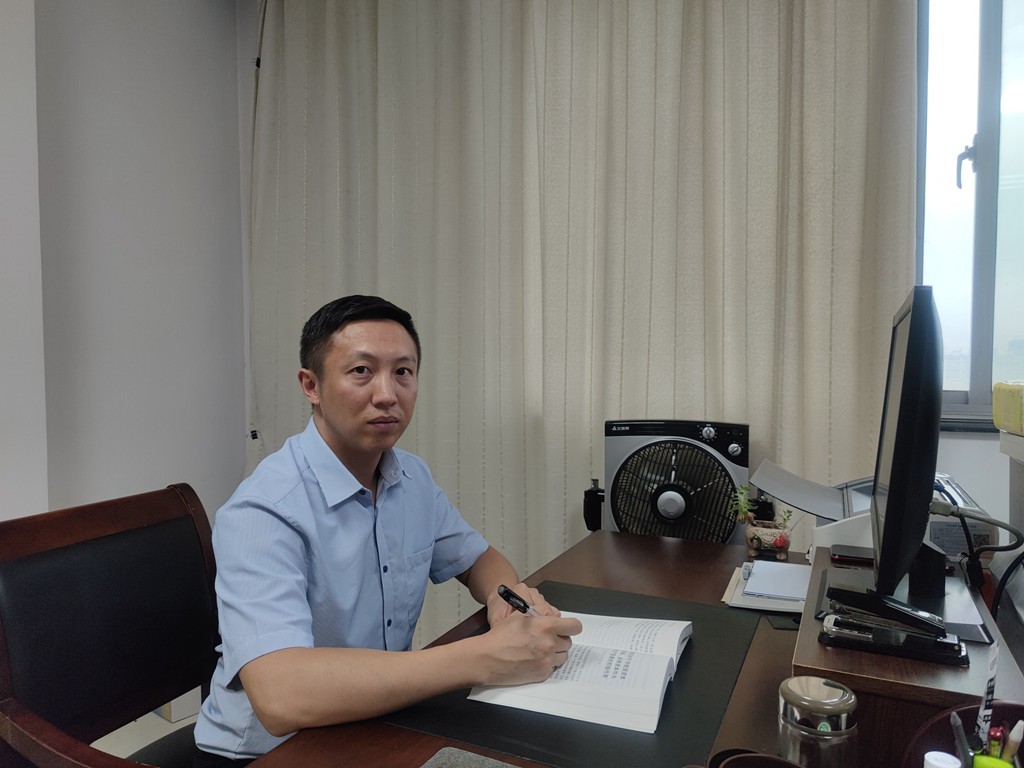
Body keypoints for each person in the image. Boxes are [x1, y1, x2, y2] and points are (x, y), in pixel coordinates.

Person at [193, 295, 581, 766]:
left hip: (376, 724)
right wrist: (482, 657)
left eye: (403, 372)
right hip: (271, 753)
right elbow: (281, 697)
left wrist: (505, 597)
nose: (387, 394)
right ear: (311, 385)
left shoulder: (410, 477)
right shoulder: (263, 510)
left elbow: (479, 559)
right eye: (361, 371)